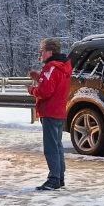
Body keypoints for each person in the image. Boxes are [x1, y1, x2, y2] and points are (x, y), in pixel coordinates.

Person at [28, 37, 72, 191]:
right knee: (57, 145)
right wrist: (39, 77)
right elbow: (53, 82)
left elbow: (46, 90)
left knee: (51, 147)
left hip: (50, 111)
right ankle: (59, 177)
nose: (41, 53)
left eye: (42, 50)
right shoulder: (63, 66)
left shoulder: (50, 67)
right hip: (59, 111)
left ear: (50, 51)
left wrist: (33, 90)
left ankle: (53, 179)